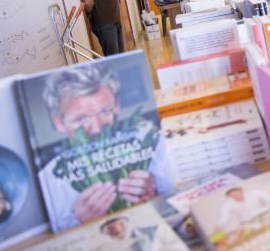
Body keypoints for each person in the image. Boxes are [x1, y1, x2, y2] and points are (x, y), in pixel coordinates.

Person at [39, 63, 172, 231]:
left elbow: (181, 198)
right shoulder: (48, 182)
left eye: (105, 112)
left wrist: (155, 194)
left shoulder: (154, 145)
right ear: (59, 122)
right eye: (81, 119)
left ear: (117, 106)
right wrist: (77, 221)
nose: (96, 128)